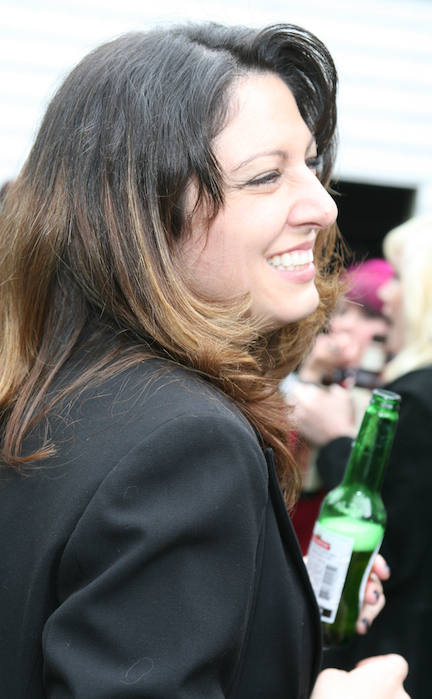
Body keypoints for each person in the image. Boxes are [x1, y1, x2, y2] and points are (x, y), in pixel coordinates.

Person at [0, 21, 409, 699]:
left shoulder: (49, 386)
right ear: (139, 216)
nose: (322, 205)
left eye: (310, 164)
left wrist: (277, 600)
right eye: (266, 176)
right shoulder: (185, 441)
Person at [311, 208, 432, 699]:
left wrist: (335, 441)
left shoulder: (425, 399)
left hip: (407, 657)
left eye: (399, 278)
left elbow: (383, 539)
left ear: (431, 293)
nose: (388, 295)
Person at [283, 258, 394, 553]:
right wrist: (312, 373)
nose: (345, 324)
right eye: (343, 311)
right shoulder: (333, 377)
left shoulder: (395, 395)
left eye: (368, 315)